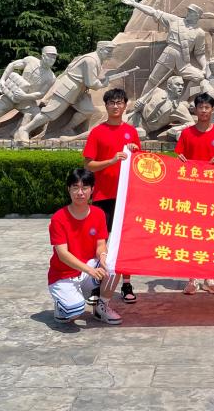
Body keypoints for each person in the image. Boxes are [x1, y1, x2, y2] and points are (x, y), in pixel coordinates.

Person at [82, 87, 140, 305]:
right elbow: (88, 165)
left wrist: (135, 151)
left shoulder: (131, 132)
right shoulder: (97, 132)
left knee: (124, 241)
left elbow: (139, 165)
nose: (116, 106)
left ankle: (126, 284)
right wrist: (112, 160)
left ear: (125, 105)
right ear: (106, 106)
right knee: (102, 242)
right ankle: (98, 283)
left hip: (126, 196)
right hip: (103, 195)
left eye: (119, 102)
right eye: (112, 103)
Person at [47, 168, 123, 326]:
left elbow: (101, 245)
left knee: (114, 263)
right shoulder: (59, 218)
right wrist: (90, 270)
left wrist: (103, 257)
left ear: (92, 190)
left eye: (85, 187)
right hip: (63, 274)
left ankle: (101, 306)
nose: (80, 192)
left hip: (87, 270)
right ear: (69, 189)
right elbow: (63, 254)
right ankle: (61, 306)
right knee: (74, 312)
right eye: (75, 187)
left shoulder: (98, 214)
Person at [175, 92, 214, 294]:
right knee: (192, 235)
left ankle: (210, 277)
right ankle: (192, 278)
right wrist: (180, 159)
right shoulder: (187, 133)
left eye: (207, 107)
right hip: (192, 192)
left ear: (212, 110)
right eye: (200, 107)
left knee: (212, 235)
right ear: (195, 110)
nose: (203, 110)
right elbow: (179, 157)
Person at [15, 41, 119, 141]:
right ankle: (25, 129)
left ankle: (66, 129)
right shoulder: (91, 60)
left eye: (111, 51)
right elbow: (91, 83)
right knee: (50, 113)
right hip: (68, 88)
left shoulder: (97, 60)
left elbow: (89, 79)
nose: (110, 53)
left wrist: (100, 81)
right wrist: (103, 84)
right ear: (100, 50)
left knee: (88, 110)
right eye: (108, 50)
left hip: (80, 90)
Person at [120, 0, 210, 94]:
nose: (188, 13)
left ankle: (184, 98)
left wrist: (205, 67)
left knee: (199, 77)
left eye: (191, 12)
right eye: (188, 11)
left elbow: (199, 53)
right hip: (169, 54)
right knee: (153, 80)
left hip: (183, 62)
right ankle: (142, 101)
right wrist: (135, 4)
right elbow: (153, 12)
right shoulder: (175, 20)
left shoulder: (199, 33)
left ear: (197, 16)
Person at [127, 75, 194, 140]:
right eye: (177, 84)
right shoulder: (156, 91)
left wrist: (177, 128)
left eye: (182, 85)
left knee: (134, 135)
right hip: (134, 118)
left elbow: (191, 123)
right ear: (169, 86)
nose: (181, 87)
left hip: (144, 130)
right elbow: (141, 100)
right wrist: (138, 103)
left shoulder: (179, 107)